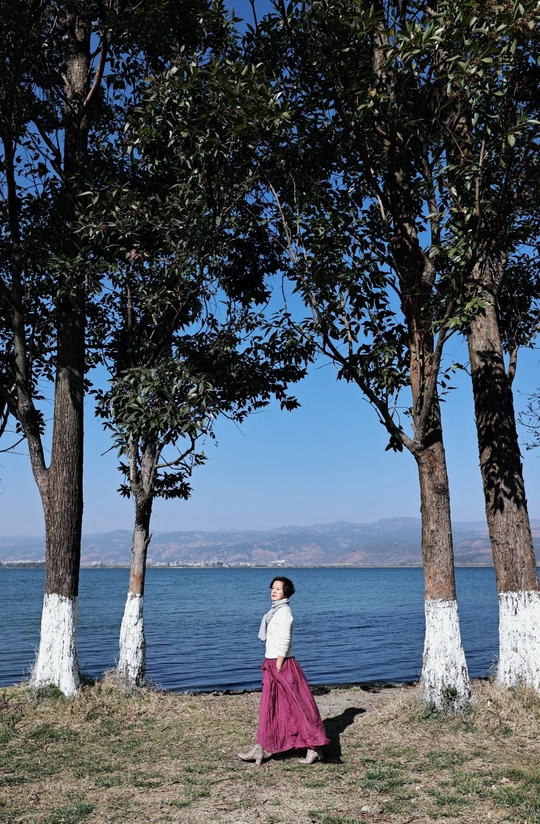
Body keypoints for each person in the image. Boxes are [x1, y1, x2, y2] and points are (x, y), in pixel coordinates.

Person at [237, 576, 330, 766]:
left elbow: (286, 638)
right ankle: (259, 748)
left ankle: (314, 747)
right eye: (272, 588)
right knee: (269, 707)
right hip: (272, 662)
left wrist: (279, 662)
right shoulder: (274, 611)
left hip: (283, 664)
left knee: (298, 706)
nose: (273, 591)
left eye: (278, 589)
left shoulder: (284, 612)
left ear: (286, 593)